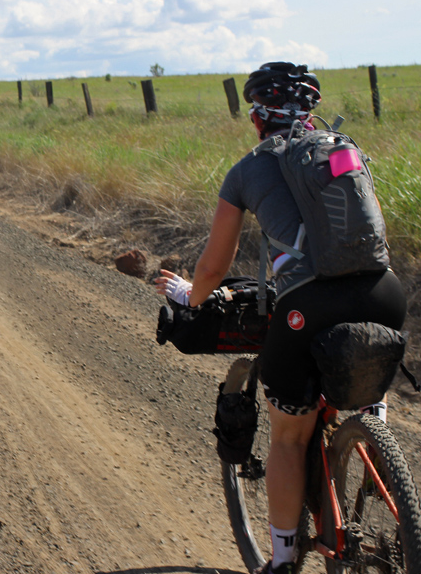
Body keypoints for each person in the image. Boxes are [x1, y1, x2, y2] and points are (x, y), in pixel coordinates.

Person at [154, 62, 405, 574]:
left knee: (290, 433)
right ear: (311, 110)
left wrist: (188, 294)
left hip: (306, 304)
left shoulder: (248, 169)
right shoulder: (345, 153)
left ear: (255, 119)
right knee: (363, 371)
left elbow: (214, 267)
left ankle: (284, 559)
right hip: (384, 292)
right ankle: (371, 423)